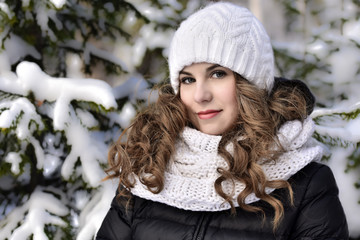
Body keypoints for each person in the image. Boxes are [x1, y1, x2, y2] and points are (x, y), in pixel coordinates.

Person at [96, 2, 348, 239]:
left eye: (217, 74)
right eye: (188, 79)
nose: (200, 95)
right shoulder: (149, 168)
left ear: (251, 84)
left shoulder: (305, 185)